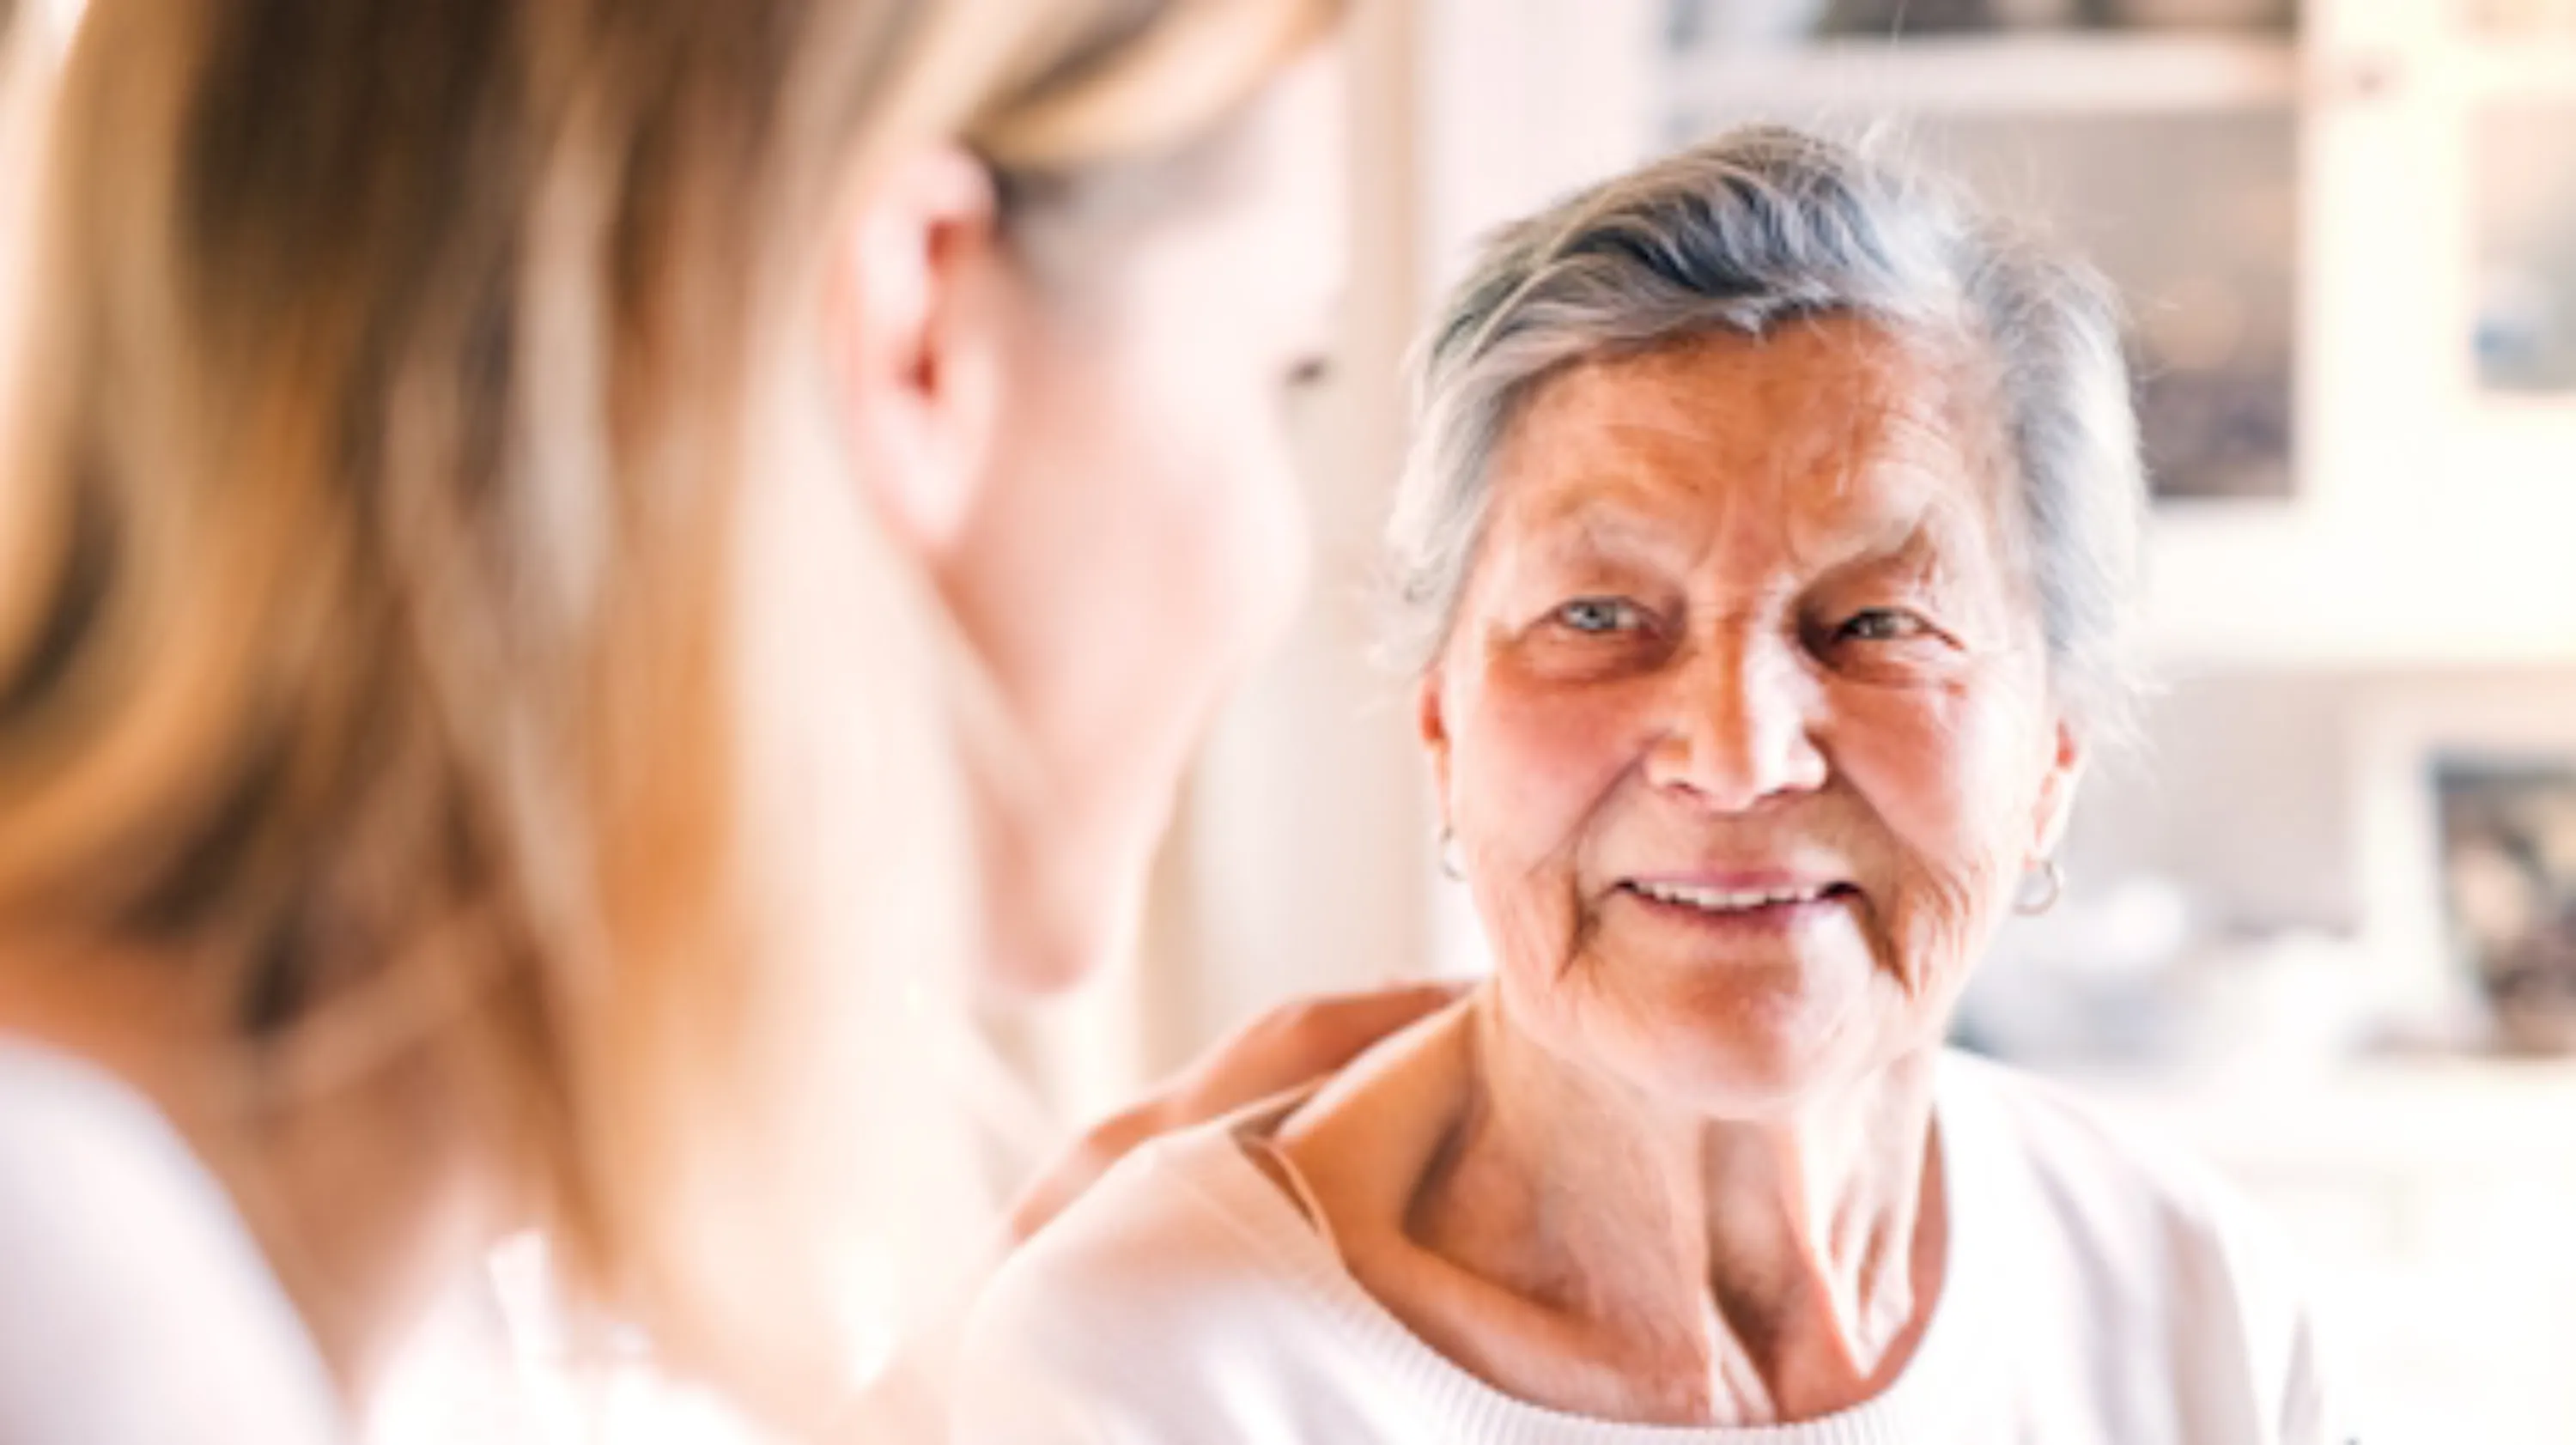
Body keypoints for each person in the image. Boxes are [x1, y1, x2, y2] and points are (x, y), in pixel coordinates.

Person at [0, 1, 1454, 1440]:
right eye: (1284, 371)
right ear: (923, 325)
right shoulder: (74, 1318)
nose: (1281, 576)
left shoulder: (288, 1281)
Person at [956, 126, 2342, 1443]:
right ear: (1443, 725)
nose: (1737, 756)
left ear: (2052, 754)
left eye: (1875, 624)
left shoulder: (2191, 1305)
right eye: (1599, 616)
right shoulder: (1134, 1374)